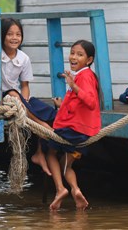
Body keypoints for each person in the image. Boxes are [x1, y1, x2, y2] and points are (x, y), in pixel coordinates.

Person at [0, 6, 54, 175]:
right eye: (10, 34)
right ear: (2, 36)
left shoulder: (23, 58)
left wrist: (24, 103)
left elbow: (25, 85)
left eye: (18, 34)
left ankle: (39, 153)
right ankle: (42, 126)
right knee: (13, 95)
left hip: (18, 98)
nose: (14, 38)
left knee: (48, 111)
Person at [41, 40, 101, 211]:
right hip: (81, 132)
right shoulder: (84, 75)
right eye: (72, 53)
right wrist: (62, 105)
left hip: (74, 131)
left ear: (89, 60)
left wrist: (74, 86)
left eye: (79, 54)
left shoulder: (84, 76)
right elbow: (79, 104)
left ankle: (60, 189)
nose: (74, 57)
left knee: (49, 151)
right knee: (66, 165)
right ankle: (76, 191)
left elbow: (91, 102)